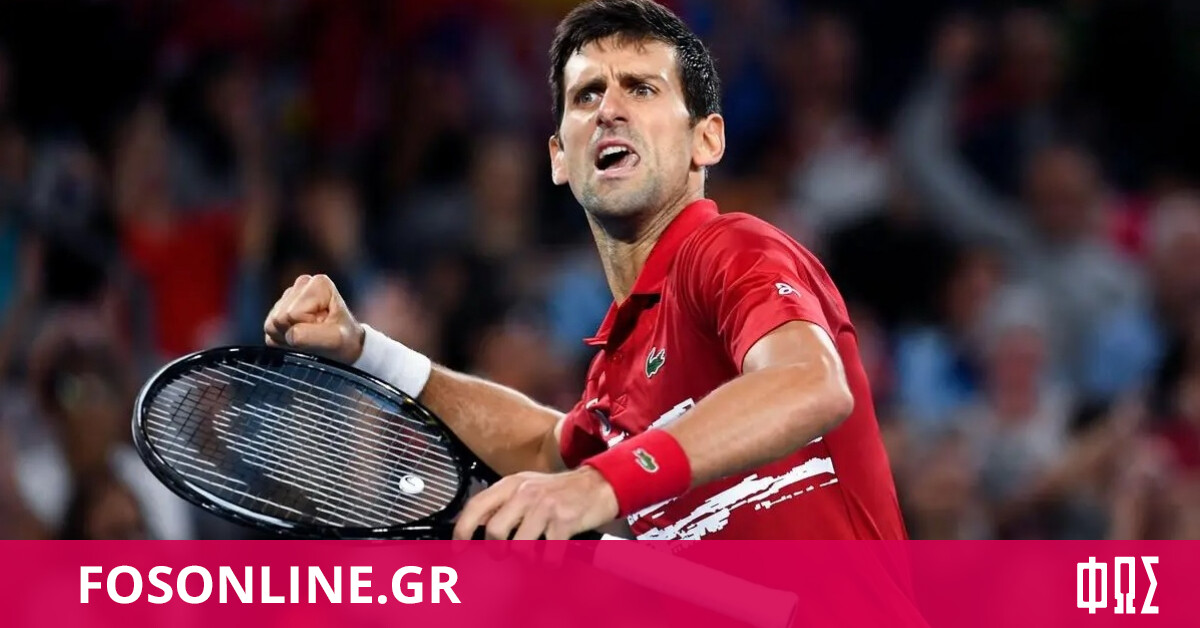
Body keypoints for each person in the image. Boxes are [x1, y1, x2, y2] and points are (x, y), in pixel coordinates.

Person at [264, 0, 905, 542]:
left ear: (706, 140)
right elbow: (548, 450)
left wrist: (602, 484)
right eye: (587, 94)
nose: (609, 110)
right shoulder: (618, 365)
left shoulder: (731, 248)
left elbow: (809, 383)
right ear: (559, 158)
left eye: (642, 88)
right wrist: (368, 351)